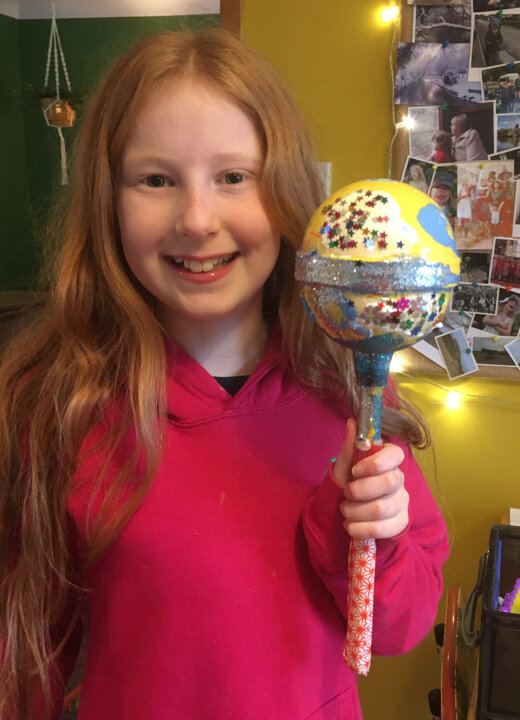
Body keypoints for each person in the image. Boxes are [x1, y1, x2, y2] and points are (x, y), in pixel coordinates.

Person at [0, 29, 449, 720]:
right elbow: (26, 653)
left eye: (234, 177)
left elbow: (398, 628)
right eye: (156, 180)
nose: (197, 219)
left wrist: (373, 543)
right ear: (108, 199)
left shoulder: (353, 391)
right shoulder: (56, 400)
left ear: (285, 190)